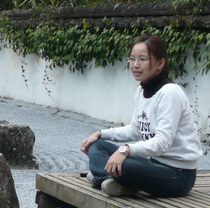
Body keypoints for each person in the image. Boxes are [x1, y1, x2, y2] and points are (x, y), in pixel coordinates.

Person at [80, 34, 203, 197]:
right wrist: (100, 134)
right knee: (98, 145)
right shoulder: (141, 90)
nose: (135, 65)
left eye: (142, 59)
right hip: (151, 163)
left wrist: (125, 150)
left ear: (160, 63)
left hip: (178, 175)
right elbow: (135, 130)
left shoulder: (170, 93)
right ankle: (109, 179)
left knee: (123, 165)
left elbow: (163, 143)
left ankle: (104, 177)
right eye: (132, 59)